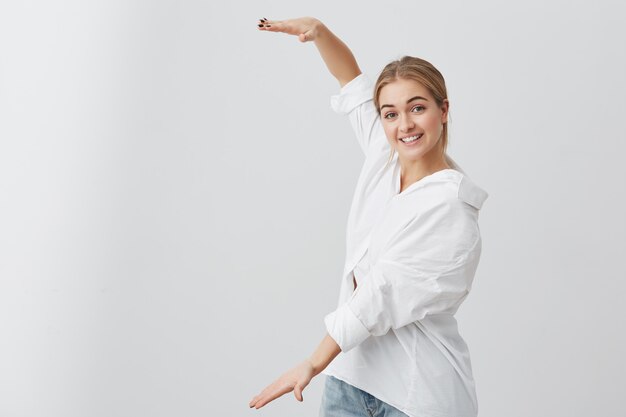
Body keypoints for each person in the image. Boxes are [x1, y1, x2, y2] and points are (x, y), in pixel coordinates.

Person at [249, 17, 489, 417]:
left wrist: (312, 362)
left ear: (443, 110)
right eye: (390, 114)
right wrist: (319, 32)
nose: (404, 125)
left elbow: (380, 294)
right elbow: (352, 82)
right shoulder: (385, 158)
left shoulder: (451, 207)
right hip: (349, 380)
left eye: (417, 108)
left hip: (415, 395)